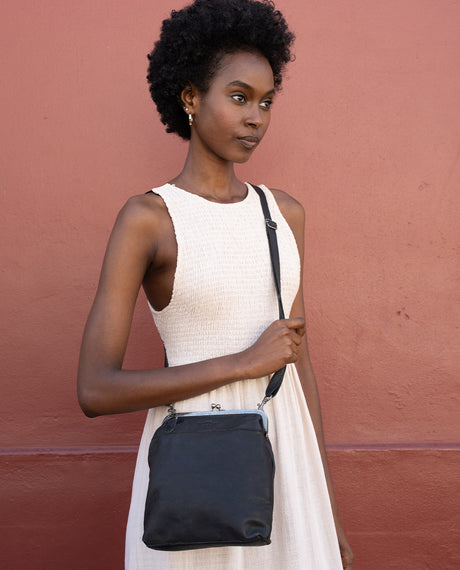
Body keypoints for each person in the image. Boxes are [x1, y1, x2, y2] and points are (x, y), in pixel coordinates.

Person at [77, 0, 354, 568]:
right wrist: (242, 363)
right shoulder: (149, 219)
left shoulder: (284, 215)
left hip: (287, 463)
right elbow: (95, 390)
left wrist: (326, 508)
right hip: (195, 469)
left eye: (266, 101)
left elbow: (298, 364)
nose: (257, 118)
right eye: (238, 97)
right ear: (190, 98)